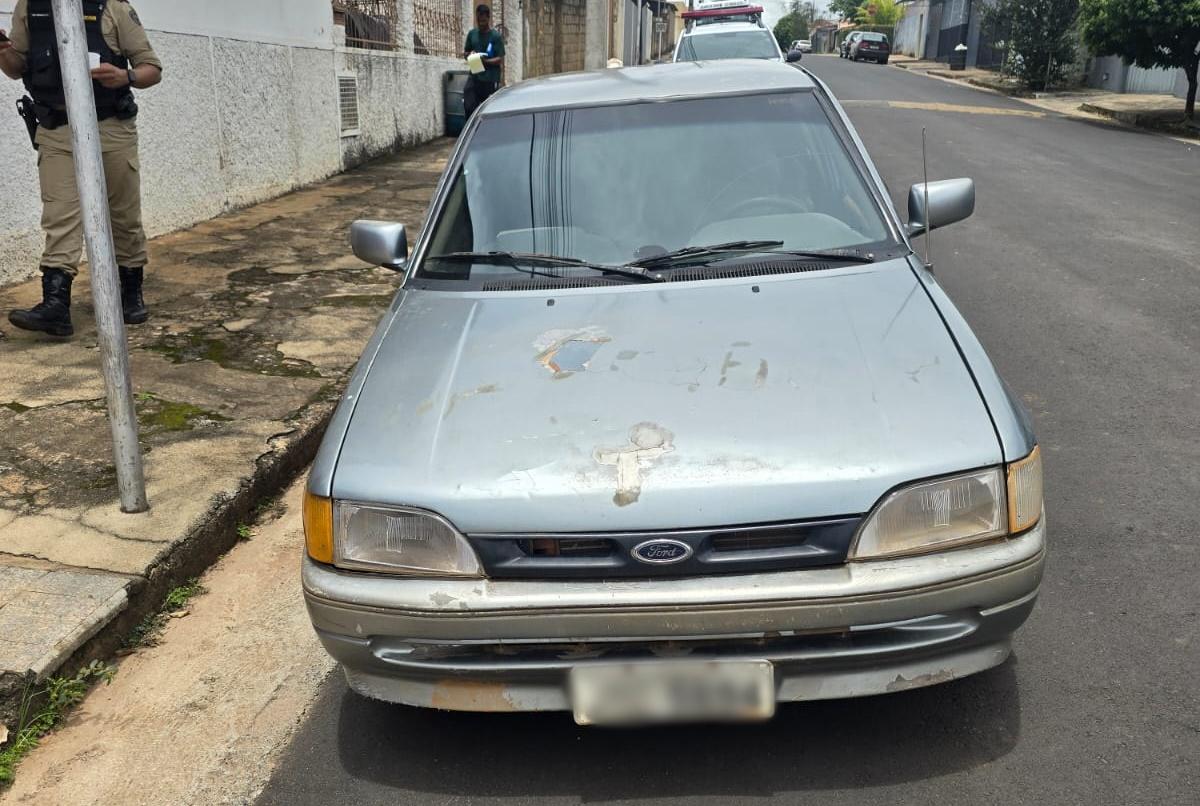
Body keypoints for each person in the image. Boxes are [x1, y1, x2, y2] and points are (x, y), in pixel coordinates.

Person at [0, 0, 162, 338]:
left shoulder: (113, 7)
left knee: (123, 214)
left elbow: (151, 68)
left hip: (110, 128)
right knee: (60, 216)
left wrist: (125, 76)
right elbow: (18, 67)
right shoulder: (30, 7)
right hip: (56, 128)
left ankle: (130, 292)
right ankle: (56, 305)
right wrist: (3, 51)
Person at [462, 3, 504, 120]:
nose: (481, 24)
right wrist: (469, 55)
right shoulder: (472, 34)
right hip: (475, 75)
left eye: (484, 21)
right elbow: (465, 53)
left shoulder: (495, 36)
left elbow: (500, 58)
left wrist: (486, 62)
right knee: (469, 104)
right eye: (479, 21)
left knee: (488, 109)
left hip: (490, 79)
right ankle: (470, 129)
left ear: (488, 18)